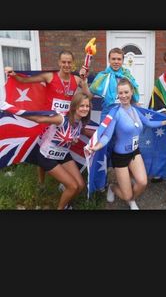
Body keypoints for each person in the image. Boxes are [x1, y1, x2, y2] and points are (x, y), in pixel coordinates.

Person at [87, 78, 166, 210]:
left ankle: (131, 200)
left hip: (135, 152)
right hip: (120, 157)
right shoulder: (115, 112)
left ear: (131, 92)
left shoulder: (136, 110)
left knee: (143, 183)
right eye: (120, 93)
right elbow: (107, 135)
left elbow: (149, 123)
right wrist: (96, 147)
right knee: (126, 195)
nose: (123, 96)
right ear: (118, 94)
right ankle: (113, 187)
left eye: (126, 92)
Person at [5, 50, 87, 185]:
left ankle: (64, 179)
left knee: (63, 147)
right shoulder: (50, 76)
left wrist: (84, 83)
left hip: (65, 123)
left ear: (72, 64)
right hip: (48, 122)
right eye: (63, 62)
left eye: (69, 62)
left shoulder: (77, 79)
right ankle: (41, 182)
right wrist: (13, 74)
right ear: (59, 62)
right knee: (44, 150)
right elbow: (26, 80)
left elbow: (87, 96)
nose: (66, 65)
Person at [8, 92, 91, 210]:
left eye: (87, 106)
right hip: (47, 156)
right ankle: (61, 208)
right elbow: (39, 118)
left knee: (80, 185)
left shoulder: (80, 123)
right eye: (82, 105)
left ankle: (66, 195)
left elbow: (70, 137)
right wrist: (13, 110)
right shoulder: (61, 119)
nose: (85, 108)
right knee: (73, 186)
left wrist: (73, 141)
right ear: (74, 107)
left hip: (63, 154)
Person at [80, 47, 140, 121]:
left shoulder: (127, 77)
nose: (116, 62)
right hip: (108, 114)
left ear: (123, 60)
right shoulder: (102, 76)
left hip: (126, 114)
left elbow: (134, 98)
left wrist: (139, 111)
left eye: (119, 59)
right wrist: (84, 81)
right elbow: (88, 96)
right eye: (113, 59)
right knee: (105, 133)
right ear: (109, 60)